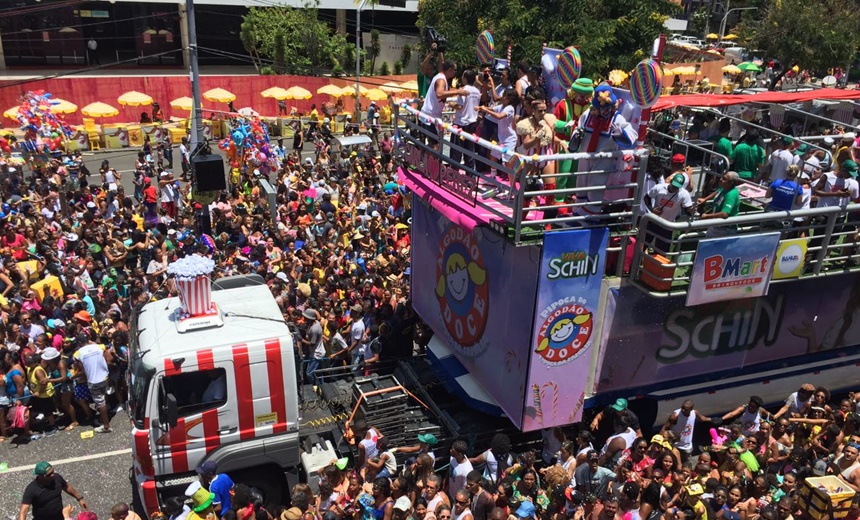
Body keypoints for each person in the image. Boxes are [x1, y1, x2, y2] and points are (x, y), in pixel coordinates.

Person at [420, 60, 466, 149]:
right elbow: (439, 94)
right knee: (436, 145)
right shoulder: (441, 80)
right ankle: (433, 162)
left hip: (428, 114)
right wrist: (458, 92)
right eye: (455, 70)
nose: (455, 72)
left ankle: (427, 159)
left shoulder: (440, 76)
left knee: (431, 143)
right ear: (449, 70)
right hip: (431, 116)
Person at [19, 461, 88, 520]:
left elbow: (66, 486)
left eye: (53, 472)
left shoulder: (57, 478)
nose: (52, 475)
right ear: (40, 476)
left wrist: (79, 498)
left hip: (59, 517)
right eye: (49, 474)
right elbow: (23, 511)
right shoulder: (31, 490)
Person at [72, 342, 114, 433]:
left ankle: (106, 426)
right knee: (104, 397)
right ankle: (105, 416)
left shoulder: (77, 353)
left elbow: (83, 371)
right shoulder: (99, 346)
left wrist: (73, 376)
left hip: (94, 381)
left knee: (100, 403)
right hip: (105, 377)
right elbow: (108, 349)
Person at [698, 172, 742, 237]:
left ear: (731, 183)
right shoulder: (724, 187)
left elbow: (724, 214)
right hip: (716, 224)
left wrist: (707, 216)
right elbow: (717, 192)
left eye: (724, 179)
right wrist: (705, 199)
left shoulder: (731, 195)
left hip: (725, 229)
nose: (721, 179)